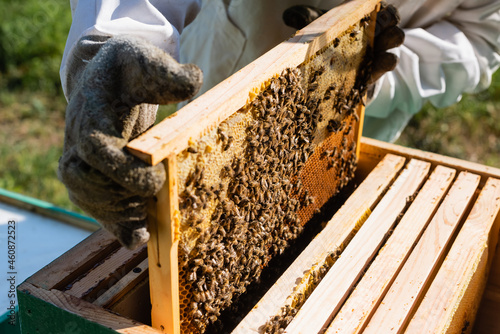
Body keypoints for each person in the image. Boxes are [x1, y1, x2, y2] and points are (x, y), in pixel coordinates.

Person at [58, 0, 500, 249]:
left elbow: (479, 34)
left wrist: (369, 72)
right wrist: (110, 42)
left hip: (349, 124)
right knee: (201, 205)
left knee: (321, 231)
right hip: (231, 60)